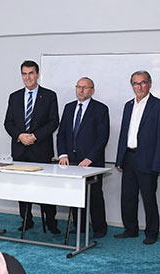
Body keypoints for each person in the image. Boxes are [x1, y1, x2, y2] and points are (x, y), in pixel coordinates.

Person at [4, 60, 61, 233]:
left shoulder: (49, 96)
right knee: (22, 188)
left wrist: (35, 136)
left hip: (41, 150)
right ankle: (26, 220)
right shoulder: (14, 97)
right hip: (20, 150)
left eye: (31, 73)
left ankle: (51, 221)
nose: (27, 77)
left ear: (37, 75)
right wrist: (20, 136)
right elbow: (8, 123)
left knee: (46, 188)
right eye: (24, 74)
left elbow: (53, 122)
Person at [115, 70, 160, 245]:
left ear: (150, 84)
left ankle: (152, 233)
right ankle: (130, 229)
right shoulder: (128, 105)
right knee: (128, 197)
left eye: (143, 82)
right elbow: (124, 134)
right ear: (132, 86)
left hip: (148, 160)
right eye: (136, 83)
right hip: (129, 157)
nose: (139, 87)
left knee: (149, 198)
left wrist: (157, 164)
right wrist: (119, 158)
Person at [56, 76, 110, 238]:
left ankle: (100, 228)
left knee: (94, 195)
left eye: (85, 87)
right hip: (70, 160)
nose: (81, 90)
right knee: (75, 194)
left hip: (92, 162)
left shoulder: (100, 109)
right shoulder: (69, 107)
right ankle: (80, 226)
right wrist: (63, 154)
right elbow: (61, 134)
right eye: (78, 86)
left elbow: (102, 137)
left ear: (92, 91)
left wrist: (90, 158)